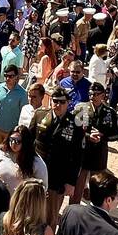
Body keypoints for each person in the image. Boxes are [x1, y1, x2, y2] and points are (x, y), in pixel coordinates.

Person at [30, 90, 84, 219]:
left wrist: (71, 182)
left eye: (62, 102)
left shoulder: (76, 123)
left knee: (50, 216)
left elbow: (78, 156)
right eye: (55, 101)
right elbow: (29, 141)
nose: (58, 105)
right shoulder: (40, 114)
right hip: (36, 173)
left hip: (58, 178)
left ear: (68, 103)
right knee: (32, 211)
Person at [0, 124, 48, 195]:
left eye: (17, 141)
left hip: (22, 203)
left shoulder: (36, 163)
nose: (13, 143)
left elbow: (42, 189)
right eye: (11, 139)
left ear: (25, 142)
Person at [0, 65, 28, 148]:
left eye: (11, 76)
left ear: (16, 77)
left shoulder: (22, 93)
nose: (8, 78)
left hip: (11, 132)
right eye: (6, 76)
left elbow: (24, 114)